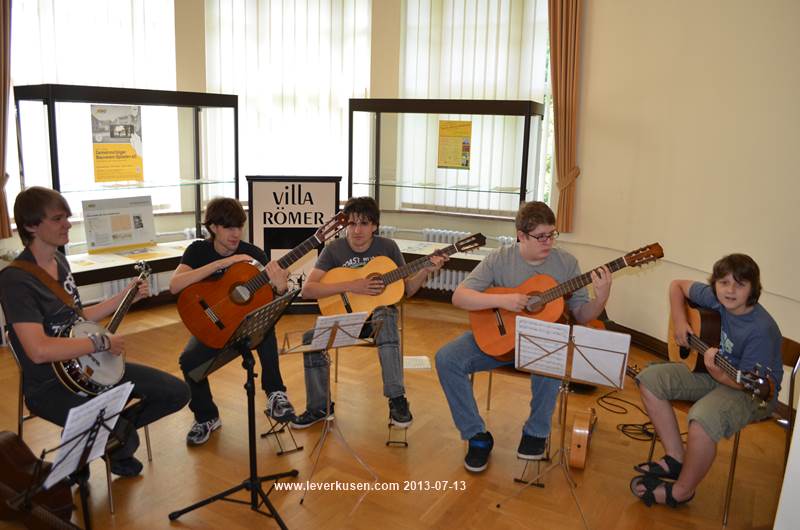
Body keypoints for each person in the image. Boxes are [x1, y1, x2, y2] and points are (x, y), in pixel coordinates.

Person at [0, 187, 189, 477]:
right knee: (123, 433)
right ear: (30, 226)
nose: (68, 224)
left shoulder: (60, 262)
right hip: (50, 384)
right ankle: (104, 441)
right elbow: (38, 350)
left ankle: (101, 439)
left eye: (67, 217)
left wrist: (125, 297)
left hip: (89, 367)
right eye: (57, 218)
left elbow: (78, 317)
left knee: (175, 392)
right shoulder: (16, 280)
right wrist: (99, 341)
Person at [435, 201, 612, 472]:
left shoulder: (567, 263)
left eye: (552, 234)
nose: (548, 242)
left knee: (550, 357)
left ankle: (536, 432)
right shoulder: (500, 258)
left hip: (540, 346)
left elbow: (582, 315)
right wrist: (505, 300)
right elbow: (460, 296)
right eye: (540, 236)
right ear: (521, 235)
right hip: (498, 341)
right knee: (446, 358)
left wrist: (601, 297)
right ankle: (476, 435)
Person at [630, 254, 782, 507]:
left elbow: (751, 384)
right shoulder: (714, 298)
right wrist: (680, 321)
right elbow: (677, 285)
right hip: (713, 370)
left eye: (740, 284)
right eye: (723, 283)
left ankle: (681, 491)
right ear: (715, 284)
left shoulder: (761, 330)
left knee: (701, 419)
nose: (730, 290)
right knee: (649, 379)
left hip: (751, 392)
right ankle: (676, 457)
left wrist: (721, 374)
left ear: (753, 289)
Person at [292, 196, 446, 429]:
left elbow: (407, 290)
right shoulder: (334, 250)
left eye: (364, 223)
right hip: (345, 319)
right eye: (352, 224)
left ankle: (397, 400)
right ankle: (319, 407)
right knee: (309, 340)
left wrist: (425, 270)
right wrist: (352, 286)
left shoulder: (387, 248)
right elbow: (308, 290)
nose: (357, 230)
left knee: (385, 313)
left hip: (377, 324)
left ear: (374, 226)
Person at [170, 197, 296, 446]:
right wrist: (224, 263)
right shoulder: (198, 251)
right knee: (188, 361)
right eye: (229, 227)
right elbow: (175, 285)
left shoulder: (253, 255)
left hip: (244, 329)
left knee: (266, 324)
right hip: (214, 326)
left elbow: (271, 300)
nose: (235, 233)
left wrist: (280, 288)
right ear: (214, 227)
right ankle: (206, 417)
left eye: (239, 226)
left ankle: (275, 393)